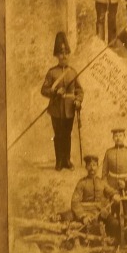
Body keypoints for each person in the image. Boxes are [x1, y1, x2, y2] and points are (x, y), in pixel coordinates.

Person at [41, 31, 83, 171]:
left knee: (67, 134)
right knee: (58, 135)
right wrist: (54, 92)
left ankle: (67, 160)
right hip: (56, 109)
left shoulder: (73, 72)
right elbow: (44, 90)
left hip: (69, 109)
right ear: (57, 56)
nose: (64, 56)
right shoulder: (52, 72)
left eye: (66, 53)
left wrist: (78, 101)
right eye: (61, 53)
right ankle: (59, 161)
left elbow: (79, 90)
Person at [66, 154, 120, 242]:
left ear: (97, 167)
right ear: (86, 167)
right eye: (89, 165)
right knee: (94, 227)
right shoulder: (82, 183)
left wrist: (115, 195)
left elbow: (110, 191)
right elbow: (75, 201)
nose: (92, 168)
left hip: (100, 212)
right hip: (86, 213)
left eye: (94, 165)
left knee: (114, 223)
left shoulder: (102, 182)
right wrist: (83, 216)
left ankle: (112, 242)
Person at [102, 128, 127, 245]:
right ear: (113, 138)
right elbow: (104, 175)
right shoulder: (108, 152)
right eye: (116, 136)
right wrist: (109, 190)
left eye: (120, 135)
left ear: (124, 137)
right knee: (114, 212)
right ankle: (115, 238)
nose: (118, 138)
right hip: (112, 187)